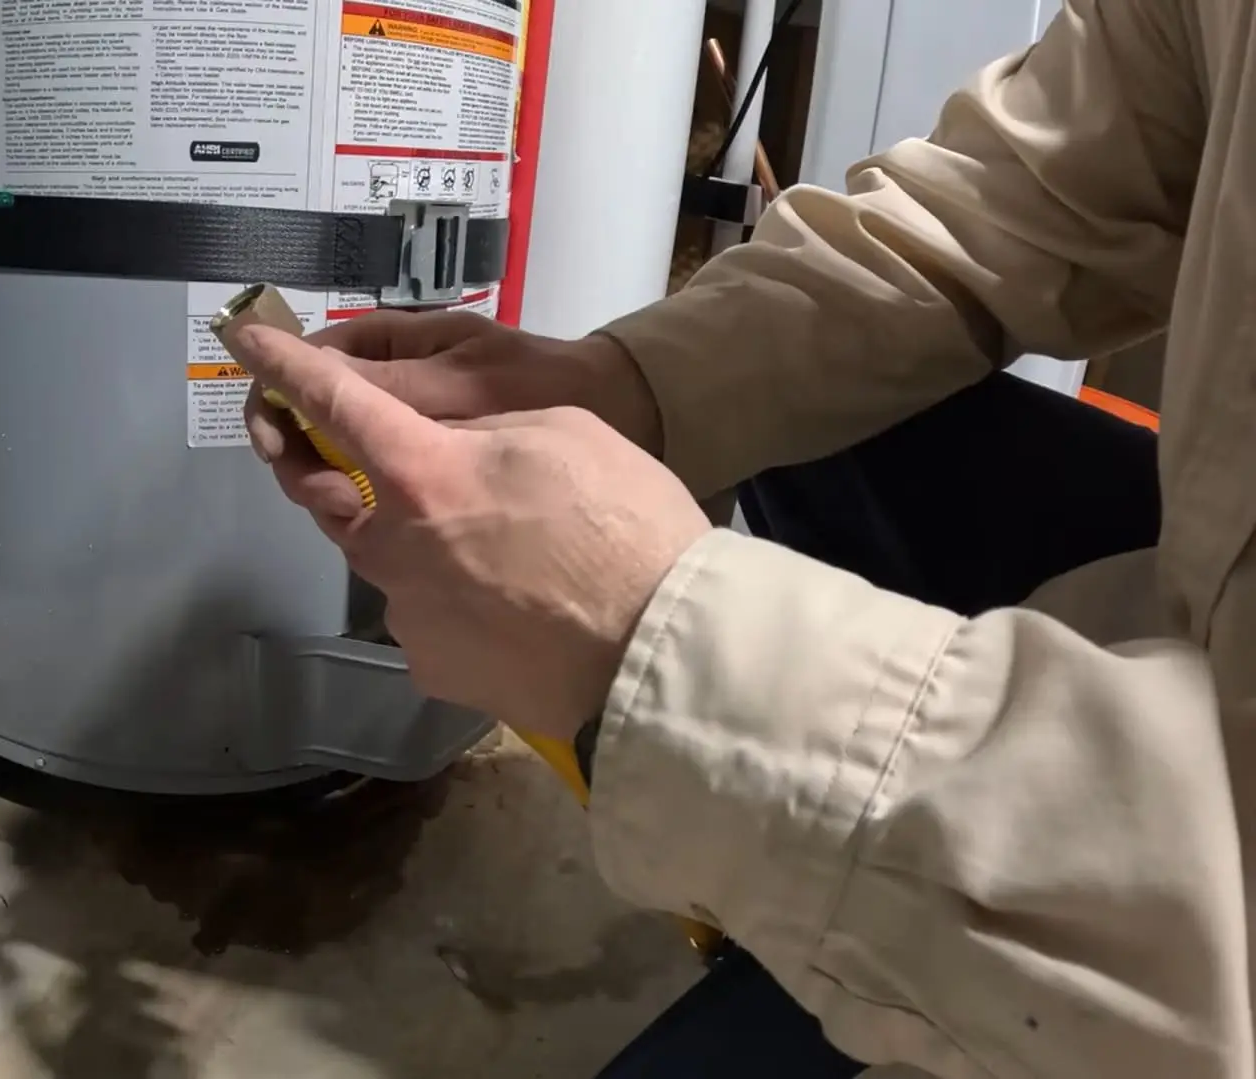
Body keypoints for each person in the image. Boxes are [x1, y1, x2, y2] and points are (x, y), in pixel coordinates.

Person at [232, 0, 1254, 1075]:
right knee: (811, 410)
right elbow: (1014, 198)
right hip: (1185, 604)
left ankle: (892, 920)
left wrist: (650, 637)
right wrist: (630, 381)